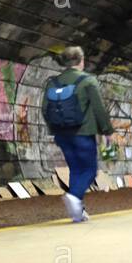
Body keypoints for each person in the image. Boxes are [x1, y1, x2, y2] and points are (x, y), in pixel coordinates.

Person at [41, 45, 114, 223]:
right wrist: (107, 131)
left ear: (65, 62)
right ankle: (74, 196)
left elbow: (44, 109)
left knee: (76, 169)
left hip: (62, 135)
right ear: (82, 61)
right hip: (83, 133)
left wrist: (55, 129)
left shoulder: (53, 82)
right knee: (89, 170)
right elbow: (98, 108)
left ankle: (77, 213)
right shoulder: (88, 81)